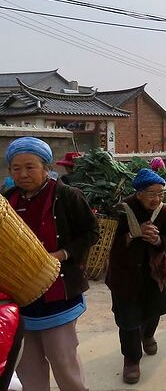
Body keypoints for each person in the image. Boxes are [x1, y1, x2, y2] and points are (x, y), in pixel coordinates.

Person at [4, 137, 99, 391]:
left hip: (59, 292)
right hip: (20, 295)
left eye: (30, 167)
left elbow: (91, 232)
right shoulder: (7, 199)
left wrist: (63, 254)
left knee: (62, 358)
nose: (22, 174)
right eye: (16, 168)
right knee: (26, 363)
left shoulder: (67, 196)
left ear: (46, 168)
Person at [106, 169, 166, 384]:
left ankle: (148, 335)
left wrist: (156, 241)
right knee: (128, 320)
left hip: (154, 272)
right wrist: (132, 235)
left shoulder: (163, 211)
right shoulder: (121, 210)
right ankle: (131, 360)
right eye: (152, 194)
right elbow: (108, 242)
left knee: (155, 310)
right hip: (125, 274)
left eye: (160, 194)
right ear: (139, 193)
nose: (157, 199)